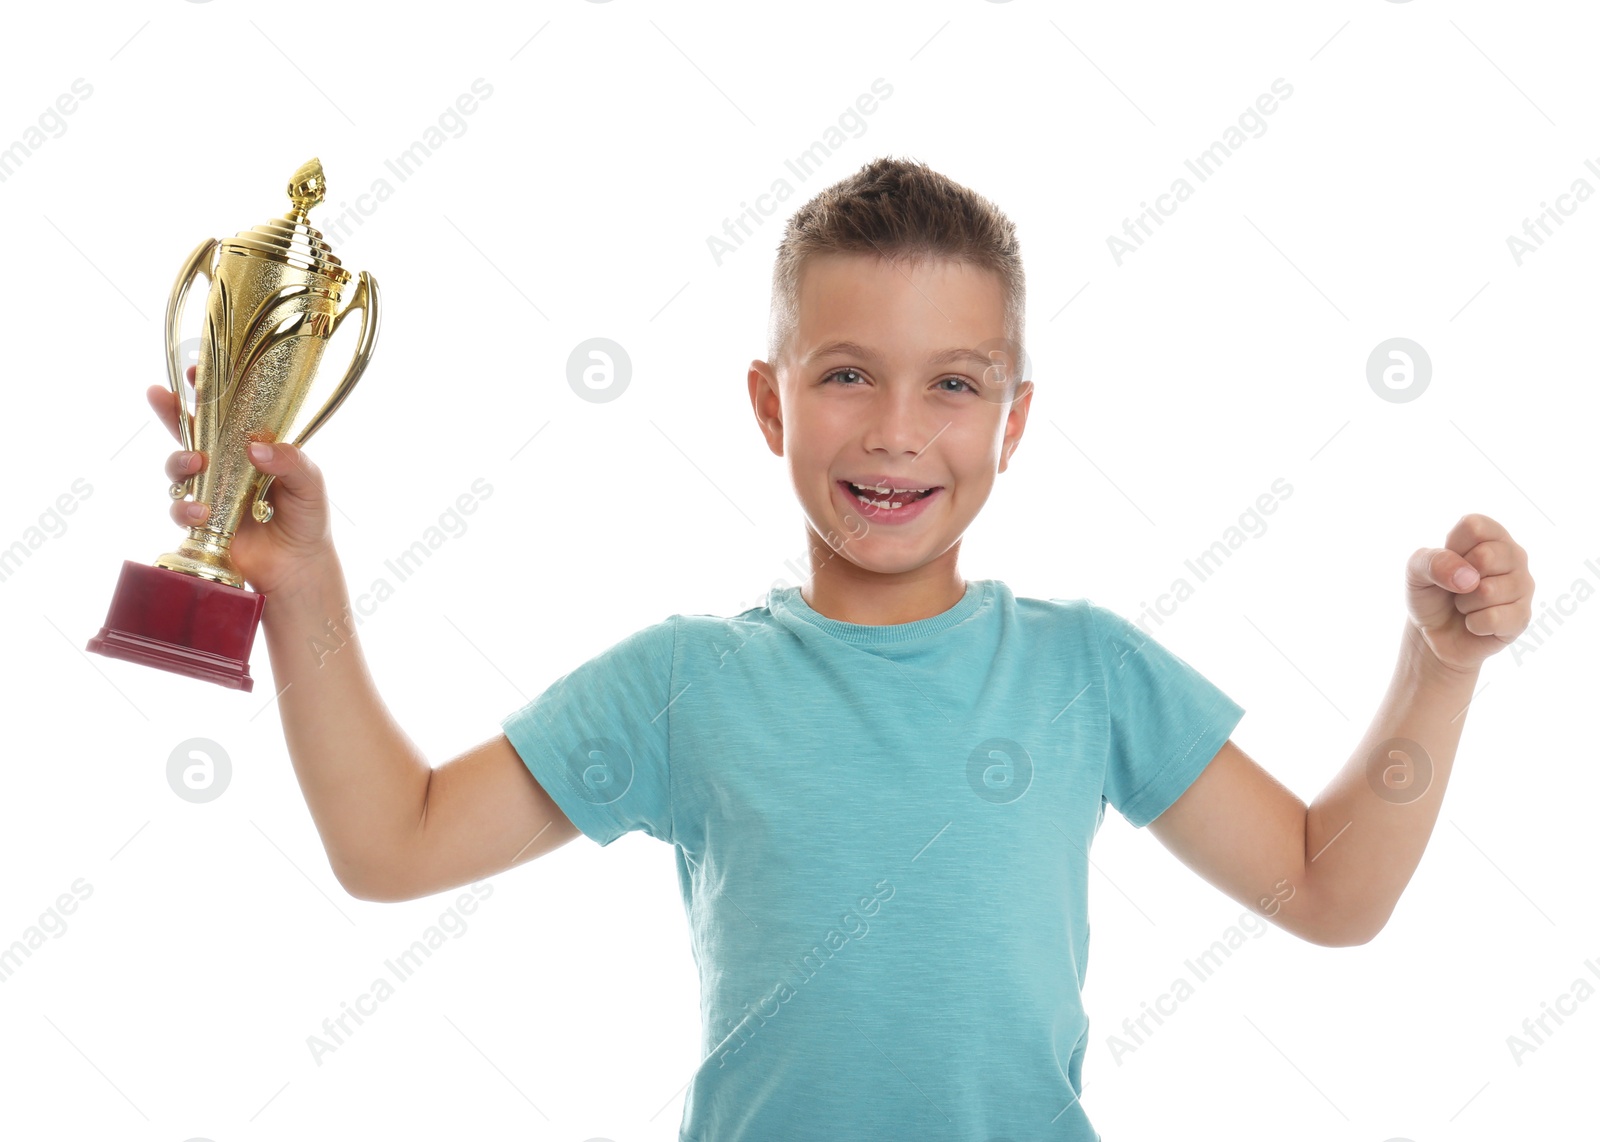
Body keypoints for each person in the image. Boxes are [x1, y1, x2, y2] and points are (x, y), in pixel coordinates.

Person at [148, 156, 1533, 1141]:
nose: (893, 431)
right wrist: (304, 580)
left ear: (1015, 420)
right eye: (847, 372)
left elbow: (1325, 890)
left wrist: (1440, 666)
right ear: (771, 401)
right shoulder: (685, 681)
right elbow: (393, 844)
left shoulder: (1086, 673)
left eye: (954, 384)